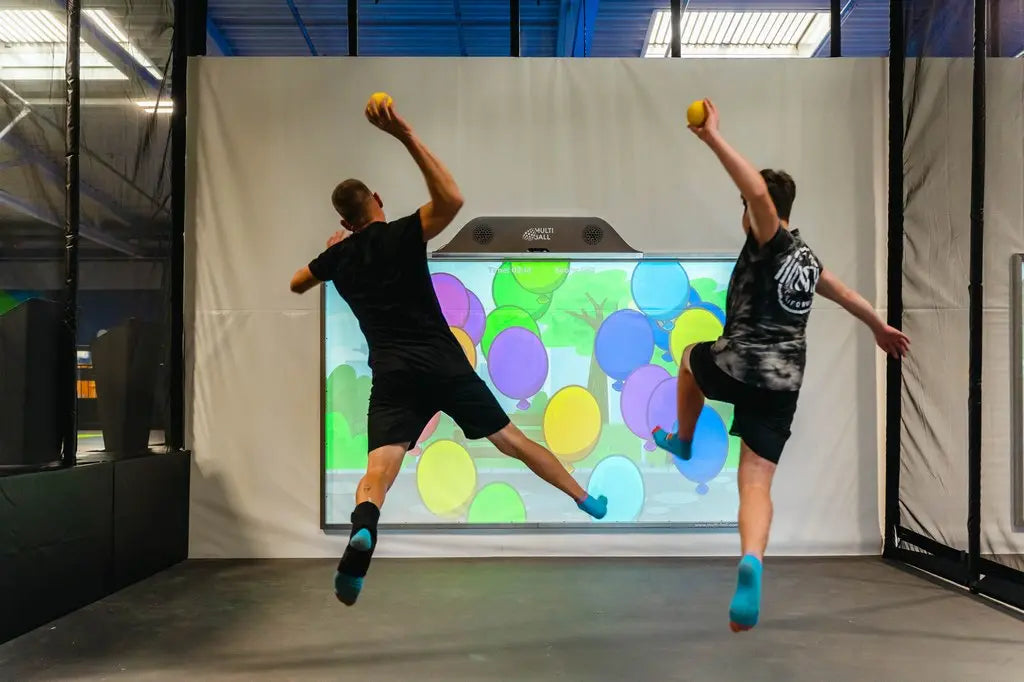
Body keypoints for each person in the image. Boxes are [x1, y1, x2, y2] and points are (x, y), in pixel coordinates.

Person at [290, 98, 608, 606]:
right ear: (377, 200)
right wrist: (404, 134)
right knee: (512, 441)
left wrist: (332, 254)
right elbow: (452, 199)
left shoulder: (340, 256)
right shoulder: (402, 233)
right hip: (443, 364)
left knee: (380, 469)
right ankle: (584, 497)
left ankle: (365, 525)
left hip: (392, 374)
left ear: (344, 223)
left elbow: (297, 282)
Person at [652, 99, 910, 632]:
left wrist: (711, 137)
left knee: (687, 359)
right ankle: (752, 559)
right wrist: (879, 327)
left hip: (741, 363)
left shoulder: (769, 238)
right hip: (785, 382)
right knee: (755, 482)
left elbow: (755, 193)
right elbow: (847, 295)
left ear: (759, 212)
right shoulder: (807, 259)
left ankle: (683, 439)